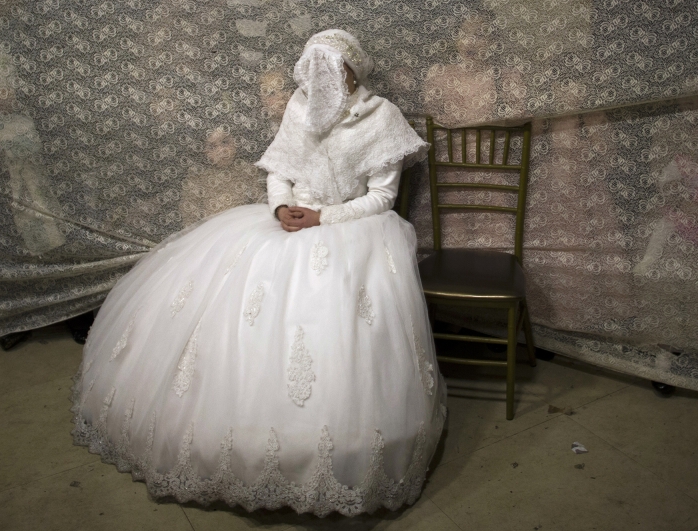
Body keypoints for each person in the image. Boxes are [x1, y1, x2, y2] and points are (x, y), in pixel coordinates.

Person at [72, 29, 445, 517]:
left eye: (327, 70)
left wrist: (323, 218)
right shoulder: (298, 106)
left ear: (352, 70)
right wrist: (280, 207)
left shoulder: (383, 116)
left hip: (352, 228)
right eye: (309, 71)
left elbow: (382, 198)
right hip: (291, 220)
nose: (317, 81)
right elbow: (279, 169)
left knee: (339, 326)